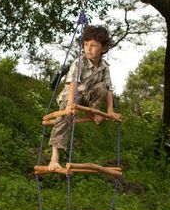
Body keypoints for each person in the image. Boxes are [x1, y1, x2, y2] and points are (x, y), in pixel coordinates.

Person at [48, 25, 121, 170]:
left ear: (104, 48)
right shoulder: (79, 62)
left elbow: (108, 89)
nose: (88, 49)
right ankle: (54, 158)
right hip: (71, 95)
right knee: (63, 120)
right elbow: (73, 83)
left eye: (93, 45)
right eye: (86, 45)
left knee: (102, 87)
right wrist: (69, 105)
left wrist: (110, 110)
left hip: (87, 97)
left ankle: (92, 112)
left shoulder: (105, 67)